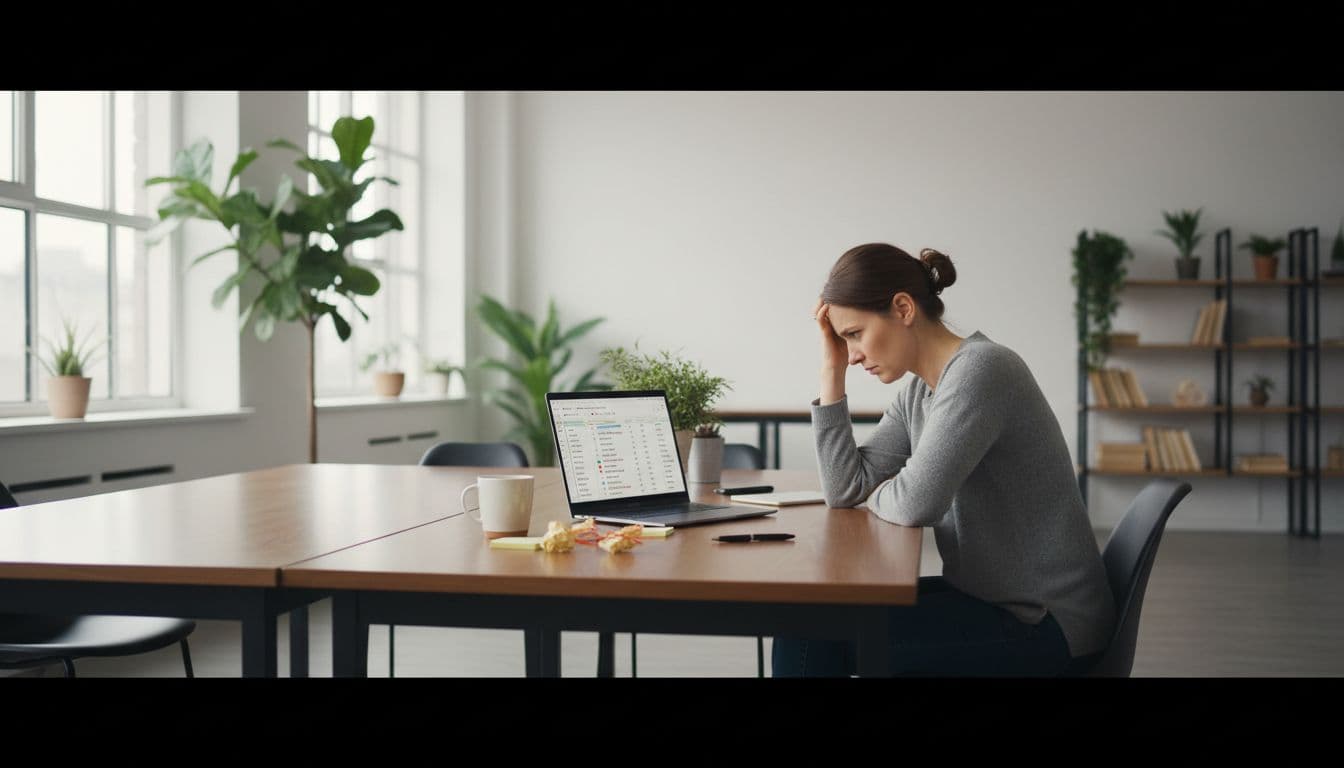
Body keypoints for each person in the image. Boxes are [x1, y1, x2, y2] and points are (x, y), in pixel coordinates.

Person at [772, 242, 1116, 677]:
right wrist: (831, 370)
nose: (853, 354)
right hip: (989, 598)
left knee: (809, 634)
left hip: (1045, 620)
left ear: (903, 308)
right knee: (805, 615)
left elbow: (916, 503)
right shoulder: (920, 392)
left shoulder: (982, 370)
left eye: (854, 334)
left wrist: (887, 491)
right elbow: (844, 488)